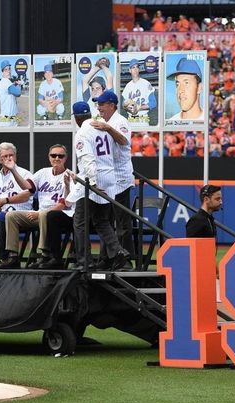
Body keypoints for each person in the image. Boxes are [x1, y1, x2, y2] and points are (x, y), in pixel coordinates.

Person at [68, 101, 129, 271]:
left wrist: (93, 183)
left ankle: (84, 262)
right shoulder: (103, 128)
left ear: (77, 118)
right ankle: (118, 251)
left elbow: (87, 159)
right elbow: (118, 152)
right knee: (101, 220)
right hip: (110, 177)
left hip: (92, 180)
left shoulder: (82, 133)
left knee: (80, 221)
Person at [0, 144, 74, 269]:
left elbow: (64, 204)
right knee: (10, 215)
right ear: (49, 157)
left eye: (61, 156)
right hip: (40, 214)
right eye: (54, 155)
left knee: (44, 214)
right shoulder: (43, 172)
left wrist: (38, 213)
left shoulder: (70, 175)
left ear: (66, 158)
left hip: (60, 216)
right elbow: (26, 187)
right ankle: (13, 256)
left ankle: (45, 255)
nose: (57, 158)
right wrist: (13, 170)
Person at [90, 90, 135, 267]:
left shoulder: (120, 121)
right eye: (98, 104)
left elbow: (124, 141)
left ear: (111, 105)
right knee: (106, 221)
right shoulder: (102, 121)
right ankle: (108, 258)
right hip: (107, 178)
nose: (99, 107)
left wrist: (109, 128)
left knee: (122, 221)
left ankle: (126, 260)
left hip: (121, 178)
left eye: (101, 104)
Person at [122, 59, 156, 123]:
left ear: (139, 69)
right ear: (130, 70)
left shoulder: (146, 83)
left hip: (143, 118)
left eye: (137, 67)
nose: (135, 69)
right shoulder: (128, 86)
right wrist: (128, 108)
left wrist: (138, 108)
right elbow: (123, 103)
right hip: (131, 119)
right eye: (133, 67)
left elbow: (153, 103)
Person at [0, 60, 21, 127]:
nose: (8, 71)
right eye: (6, 70)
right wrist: (19, 85)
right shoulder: (5, 81)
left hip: (11, 118)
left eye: (9, 69)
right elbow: (18, 93)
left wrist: (16, 84)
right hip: (6, 120)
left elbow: (12, 88)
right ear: (2, 72)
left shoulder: (7, 82)